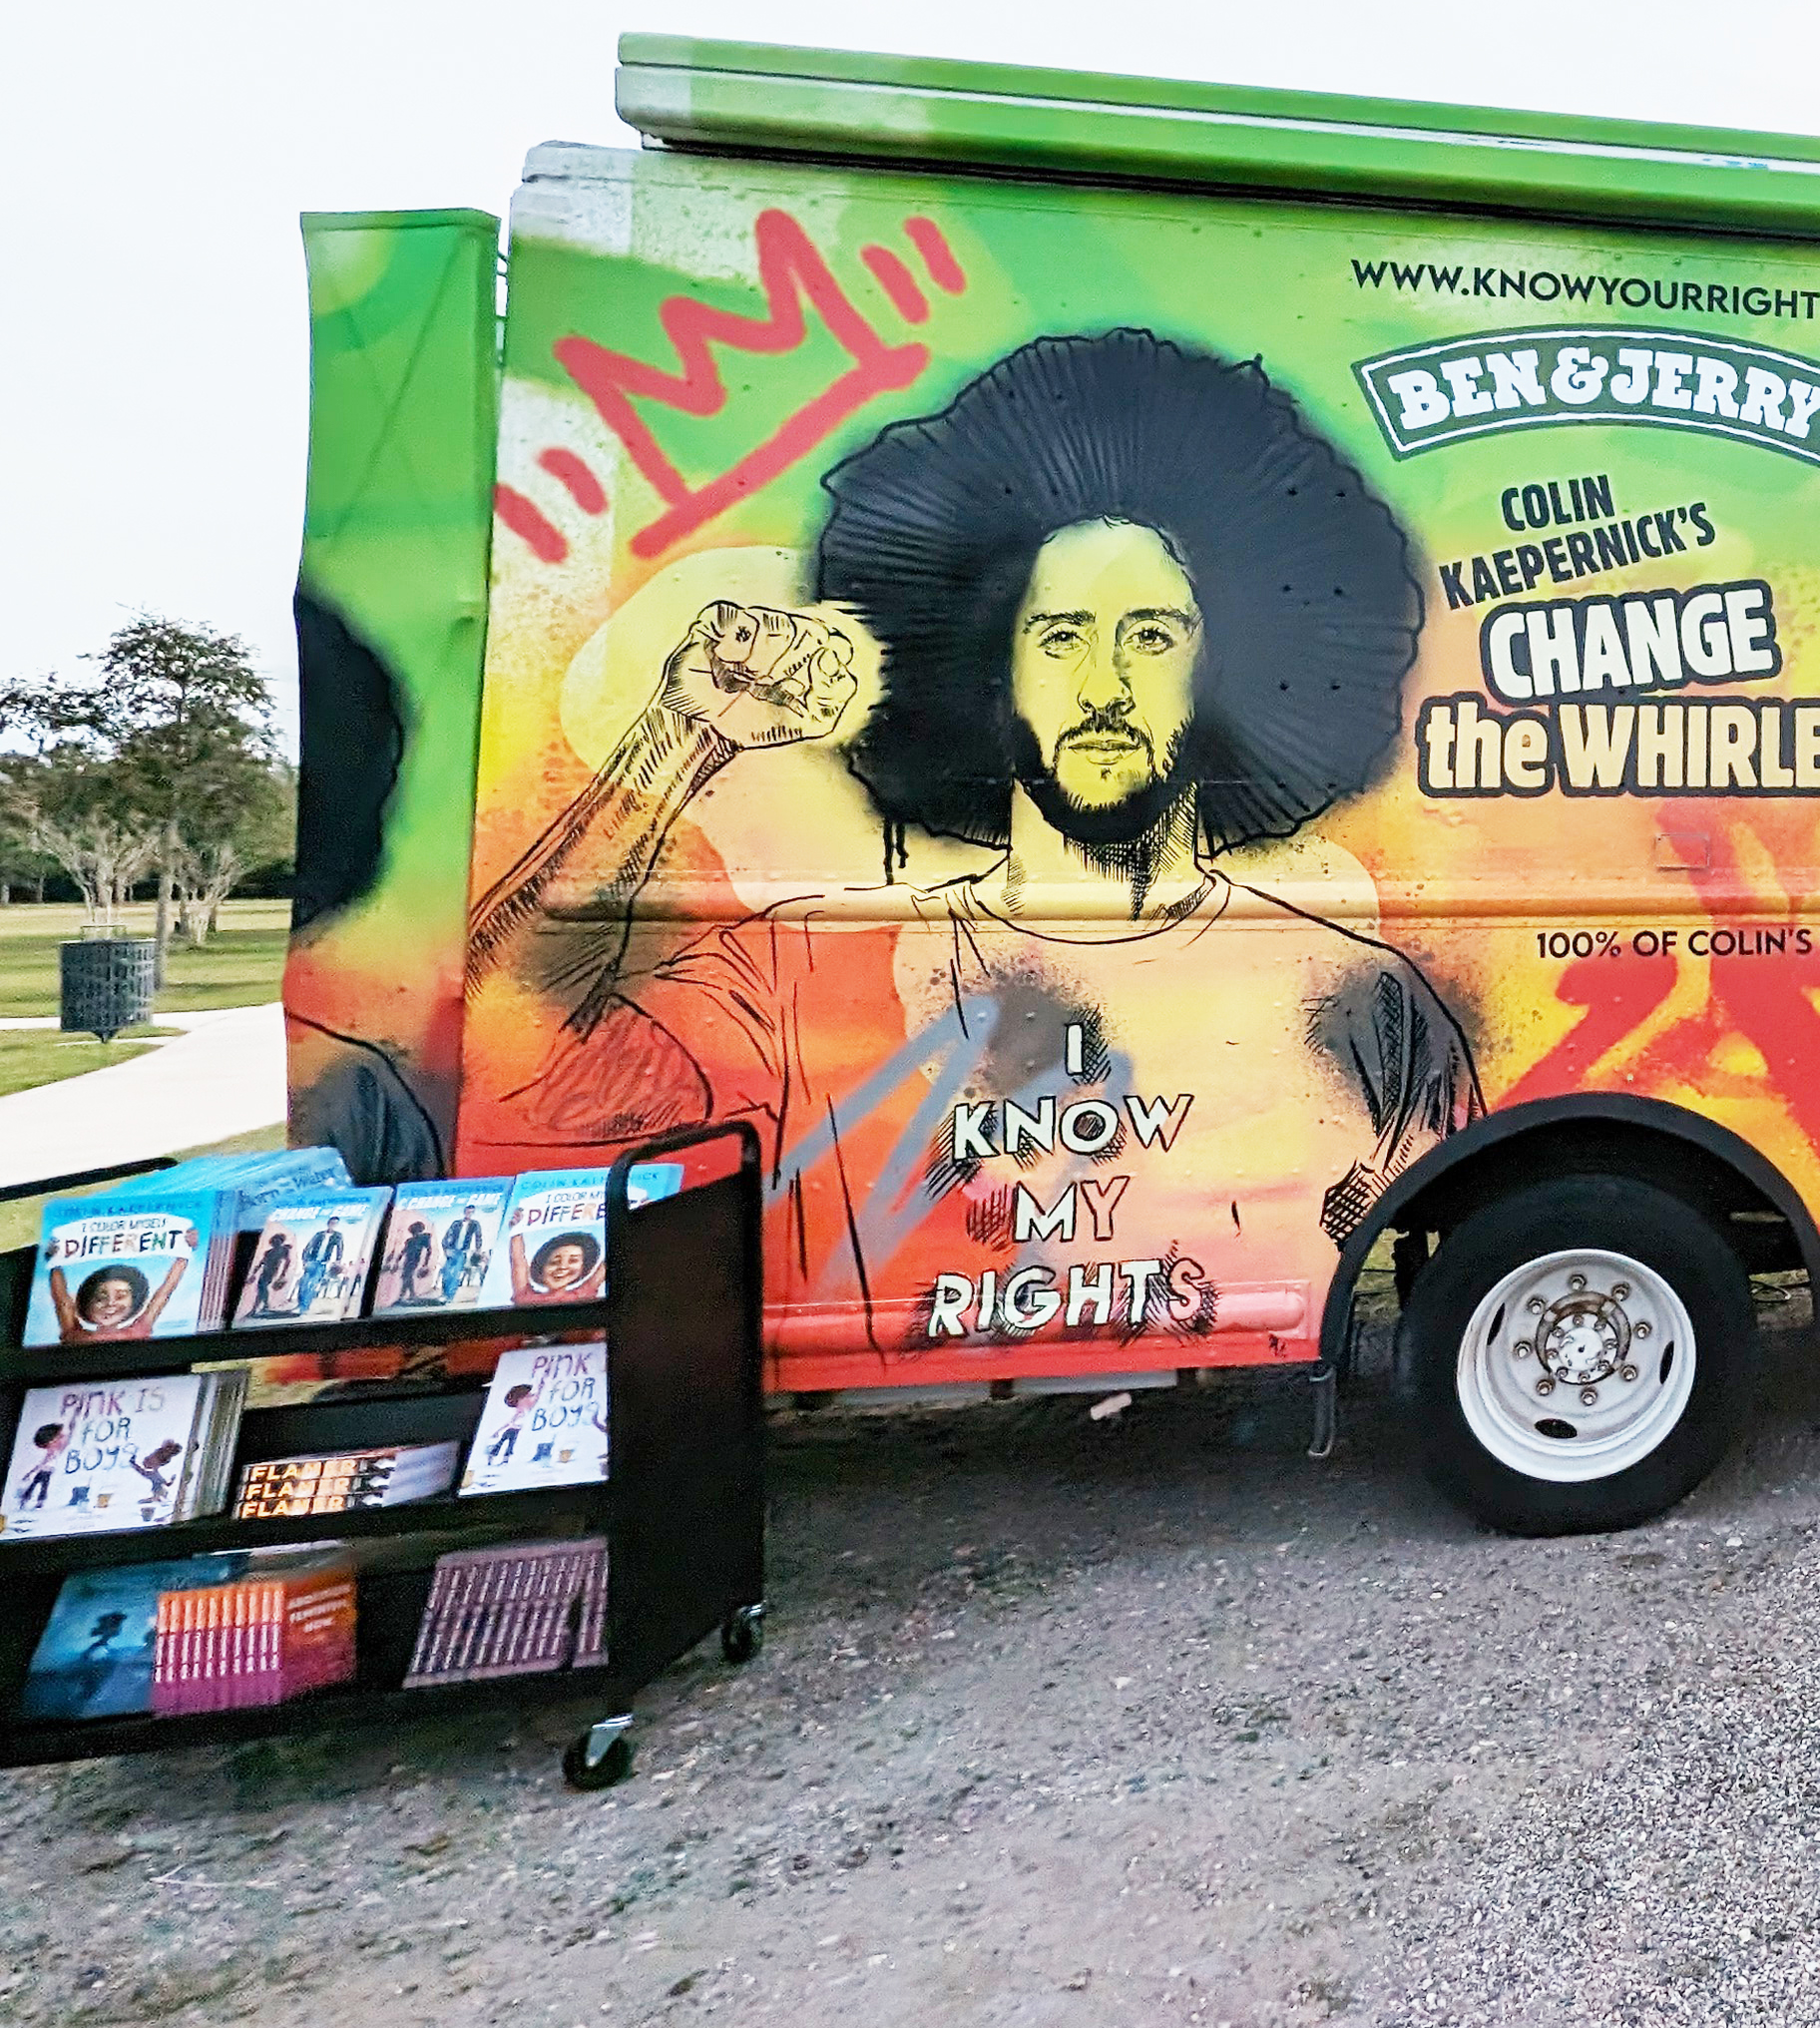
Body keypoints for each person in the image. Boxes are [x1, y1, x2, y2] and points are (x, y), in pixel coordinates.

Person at [465, 328, 1482, 1354]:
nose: (1103, 689)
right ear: (993, 679)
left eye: (1153, 636)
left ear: (1230, 671)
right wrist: (682, 730)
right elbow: (513, 1048)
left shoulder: (1365, 1001)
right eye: (1060, 636)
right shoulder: (819, 971)